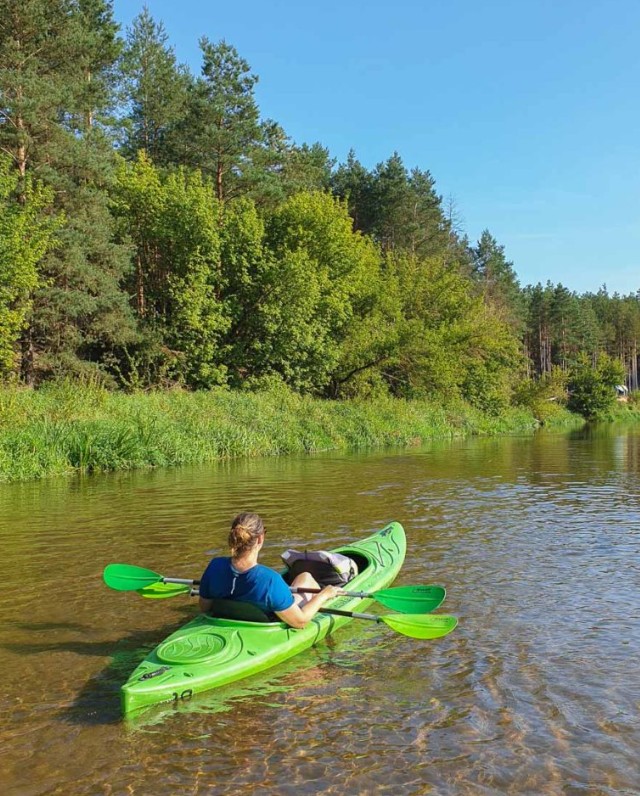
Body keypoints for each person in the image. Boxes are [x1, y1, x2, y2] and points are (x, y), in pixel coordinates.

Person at [198, 512, 340, 629]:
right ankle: (320, 592)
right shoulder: (270, 579)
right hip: (266, 624)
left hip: (226, 619)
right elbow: (300, 622)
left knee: (303, 577)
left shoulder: (214, 566)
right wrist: (324, 595)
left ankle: (285, 595)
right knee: (306, 578)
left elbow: (205, 608)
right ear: (260, 538)